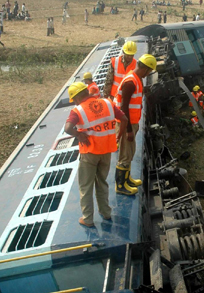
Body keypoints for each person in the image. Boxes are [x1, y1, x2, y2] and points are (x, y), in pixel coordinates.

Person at [64, 82, 128, 227]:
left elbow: (67, 128)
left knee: (86, 186)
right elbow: (124, 119)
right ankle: (105, 213)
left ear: (78, 97)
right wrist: (118, 136)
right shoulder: (107, 102)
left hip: (89, 153)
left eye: (73, 99)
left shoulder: (77, 110)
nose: (74, 102)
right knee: (102, 182)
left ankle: (87, 219)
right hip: (106, 151)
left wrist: (78, 135)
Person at [113, 54, 157, 195]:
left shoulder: (136, 79)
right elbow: (123, 108)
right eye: (149, 71)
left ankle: (127, 179)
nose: (148, 74)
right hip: (126, 123)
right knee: (125, 155)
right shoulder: (130, 82)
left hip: (132, 122)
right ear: (145, 69)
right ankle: (120, 186)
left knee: (130, 152)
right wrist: (128, 131)